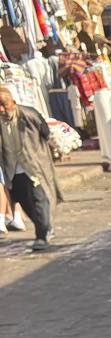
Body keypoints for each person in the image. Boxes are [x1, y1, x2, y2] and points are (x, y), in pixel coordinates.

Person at [0, 86, 62, 251]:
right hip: (13, 170)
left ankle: (42, 235)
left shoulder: (28, 114)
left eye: (4, 105)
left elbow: (45, 132)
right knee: (24, 201)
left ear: (13, 102)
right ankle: (45, 226)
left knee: (38, 199)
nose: (2, 109)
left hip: (33, 166)